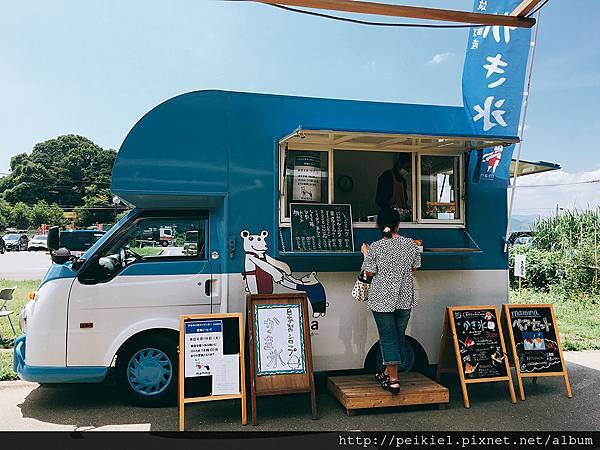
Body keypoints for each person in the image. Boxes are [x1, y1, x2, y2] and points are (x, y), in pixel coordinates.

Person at [360, 208, 421, 394]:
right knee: (398, 336)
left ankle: (394, 381)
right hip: (404, 298)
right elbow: (415, 267)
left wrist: (365, 253)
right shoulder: (410, 244)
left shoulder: (376, 247)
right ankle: (387, 372)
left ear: (379, 226)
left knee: (388, 339)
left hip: (382, 300)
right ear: (398, 225)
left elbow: (368, 273)